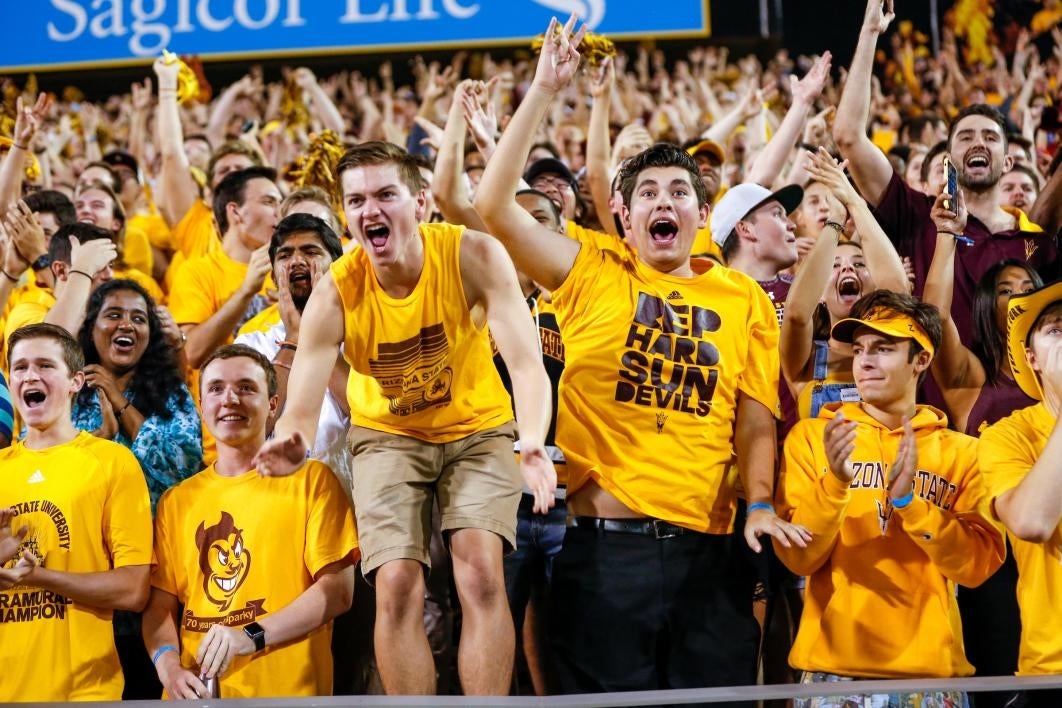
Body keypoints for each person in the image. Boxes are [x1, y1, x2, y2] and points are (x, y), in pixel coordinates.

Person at [474, 17, 806, 694]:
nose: (665, 201)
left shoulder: (741, 296)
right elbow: (493, 207)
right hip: (604, 553)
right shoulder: (591, 266)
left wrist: (763, 502)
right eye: (648, 192)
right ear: (622, 215)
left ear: (699, 214)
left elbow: (754, 419)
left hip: (712, 554)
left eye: (679, 192)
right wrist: (542, 90)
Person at [254, 140, 554, 696]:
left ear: (419, 203)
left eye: (385, 194)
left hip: (478, 428)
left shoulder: (475, 255)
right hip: (390, 436)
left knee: (481, 574)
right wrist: (292, 440)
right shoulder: (336, 292)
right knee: (394, 585)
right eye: (357, 200)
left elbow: (527, 366)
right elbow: (299, 405)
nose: (371, 210)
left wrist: (532, 440)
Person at [774, 290, 1004, 706]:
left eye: (884, 348)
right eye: (859, 348)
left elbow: (976, 567)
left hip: (930, 677)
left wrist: (911, 506)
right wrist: (835, 485)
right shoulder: (813, 439)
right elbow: (798, 558)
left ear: (922, 360)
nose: (864, 361)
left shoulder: (963, 452)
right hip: (833, 676)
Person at [833, 0, 1058, 345]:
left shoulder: (1038, 243)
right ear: (949, 161)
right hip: (936, 398)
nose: (978, 143)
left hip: (1028, 398)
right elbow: (848, 136)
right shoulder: (917, 214)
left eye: (990, 137)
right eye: (965, 137)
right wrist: (870, 31)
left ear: (1009, 160)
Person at [143, 344, 358, 699]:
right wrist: (168, 668)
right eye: (215, 389)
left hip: (287, 695)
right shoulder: (176, 500)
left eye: (246, 388)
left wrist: (250, 636)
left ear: (273, 405)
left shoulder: (312, 481)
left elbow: (338, 592)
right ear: (201, 406)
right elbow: (159, 608)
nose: (230, 399)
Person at [0, 323, 152, 702]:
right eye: (19, 368)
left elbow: (134, 589)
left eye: (45, 366)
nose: (30, 376)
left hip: (85, 693)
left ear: (76, 381)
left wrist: (39, 577)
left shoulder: (112, 461)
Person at [978, 281, 1062, 706]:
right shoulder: (1007, 436)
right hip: (1052, 671)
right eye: (1056, 331)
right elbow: (1031, 523)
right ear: (1033, 359)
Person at [781, 149, 908, 421]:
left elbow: (900, 291)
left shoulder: (898, 346)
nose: (848, 268)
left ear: (875, 288)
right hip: (815, 464)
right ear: (821, 295)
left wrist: (854, 201)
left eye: (860, 264)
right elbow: (796, 313)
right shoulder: (807, 358)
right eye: (835, 266)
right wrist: (835, 219)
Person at [234, 213, 350, 486]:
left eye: (310, 251)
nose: (297, 261)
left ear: (338, 268)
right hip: (279, 499)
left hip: (351, 497)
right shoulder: (250, 344)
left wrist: (319, 330)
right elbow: (252, 429)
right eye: (285, 255)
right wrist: (295, 337)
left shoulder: (366, 332)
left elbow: (367, 416)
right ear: (273, 276)